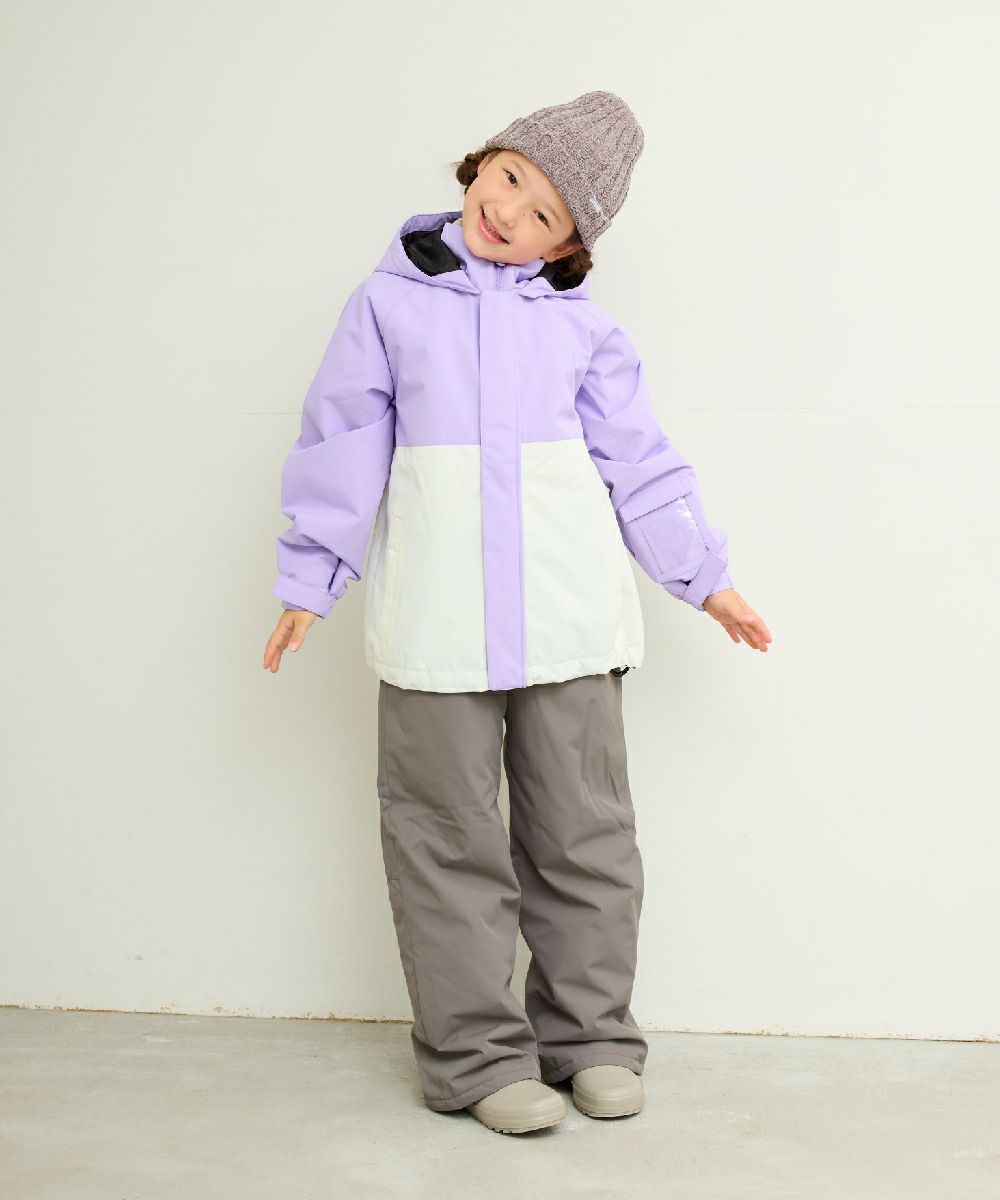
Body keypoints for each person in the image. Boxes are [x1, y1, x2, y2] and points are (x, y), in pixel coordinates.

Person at [262, 90, 772, 1135]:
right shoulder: (388, 306)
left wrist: (702, 576)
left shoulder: (582, 327)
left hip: (568, 620)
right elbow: (341, 441)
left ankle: (590, 1039)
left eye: (543, 212)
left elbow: (639, 461)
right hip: (437, 623)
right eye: (508, 179)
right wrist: (310, 579)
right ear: (481, 163)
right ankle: (476, 1059)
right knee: (444, 839)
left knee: (585, 835)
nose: (508, 213)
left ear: (570, 243)